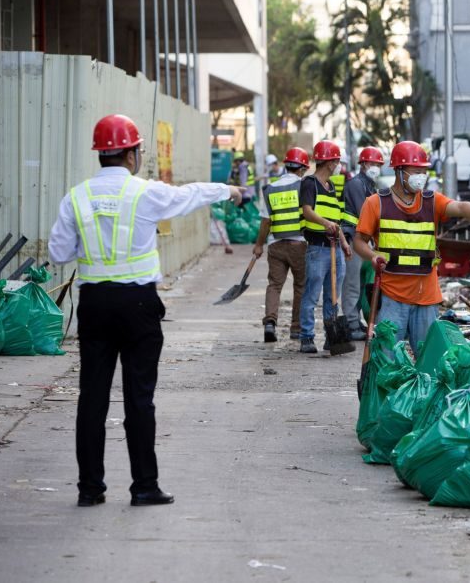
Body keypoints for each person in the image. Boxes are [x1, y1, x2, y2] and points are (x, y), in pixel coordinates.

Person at [48, 114, 242, 508]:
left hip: (95, 306)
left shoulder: (77, 196)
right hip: (137, 305)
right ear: (133, 154)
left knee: (92, 397)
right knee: (139, 397)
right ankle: (144, 486)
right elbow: (189, 196)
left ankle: (90, 489)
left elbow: (58, 253)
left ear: (101, 154)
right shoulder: (145, 194)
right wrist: (229, 190)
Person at [353, 141, 470, 357]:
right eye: (416, 170)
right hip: (393, 295)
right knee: (386, 359)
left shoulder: (432, 201)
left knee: (430, 361)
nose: (421, 175)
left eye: (424, 170)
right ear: (400, 171)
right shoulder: (376, 203)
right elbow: (359, 241)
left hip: (427, 297)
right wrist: (373, 257)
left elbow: (458, 207)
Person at [299, 141, 351, 354]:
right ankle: (307, 337)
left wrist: (345, 243)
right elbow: (307, 211)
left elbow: (335, 220)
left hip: (335, 248)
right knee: (312, 294)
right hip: (318, 249)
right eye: (337, 160)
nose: (339, 164)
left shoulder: (332, 188)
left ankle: (332, 338)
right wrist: (326, 224)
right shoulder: (310, 183)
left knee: (333, 296)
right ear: (329, 162)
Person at [253, 147, 310, 344]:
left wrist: (259, 245)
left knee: (275, 285)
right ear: (302, 168)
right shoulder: (305, 187)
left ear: (285, 166)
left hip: (276, 245)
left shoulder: (270, 188)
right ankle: (296, 328)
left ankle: (270, 322)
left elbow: (265, 222)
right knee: (301, 286)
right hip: (300, 244)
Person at [340, 147, 386, 340]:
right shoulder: (356, 184)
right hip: (353, 240)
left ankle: (355, 319)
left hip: (363, 241)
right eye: (374, 164)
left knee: (359, 284)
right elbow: (365, 214)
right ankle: (350, 323)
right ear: (364, 164)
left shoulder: (368, 185)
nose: (376, 167)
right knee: (351, 284)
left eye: (378, 165)